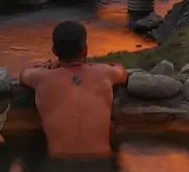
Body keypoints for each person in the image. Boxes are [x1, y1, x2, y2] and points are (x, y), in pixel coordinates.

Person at [14, 21, 127, 159]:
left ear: (54, 50)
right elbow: (121, 70)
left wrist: (47, 65)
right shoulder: (105, 73)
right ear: (85, 49)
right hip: (101, 162)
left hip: (60, 163)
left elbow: (24, 73)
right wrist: (96, 65)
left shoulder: (40, 78)